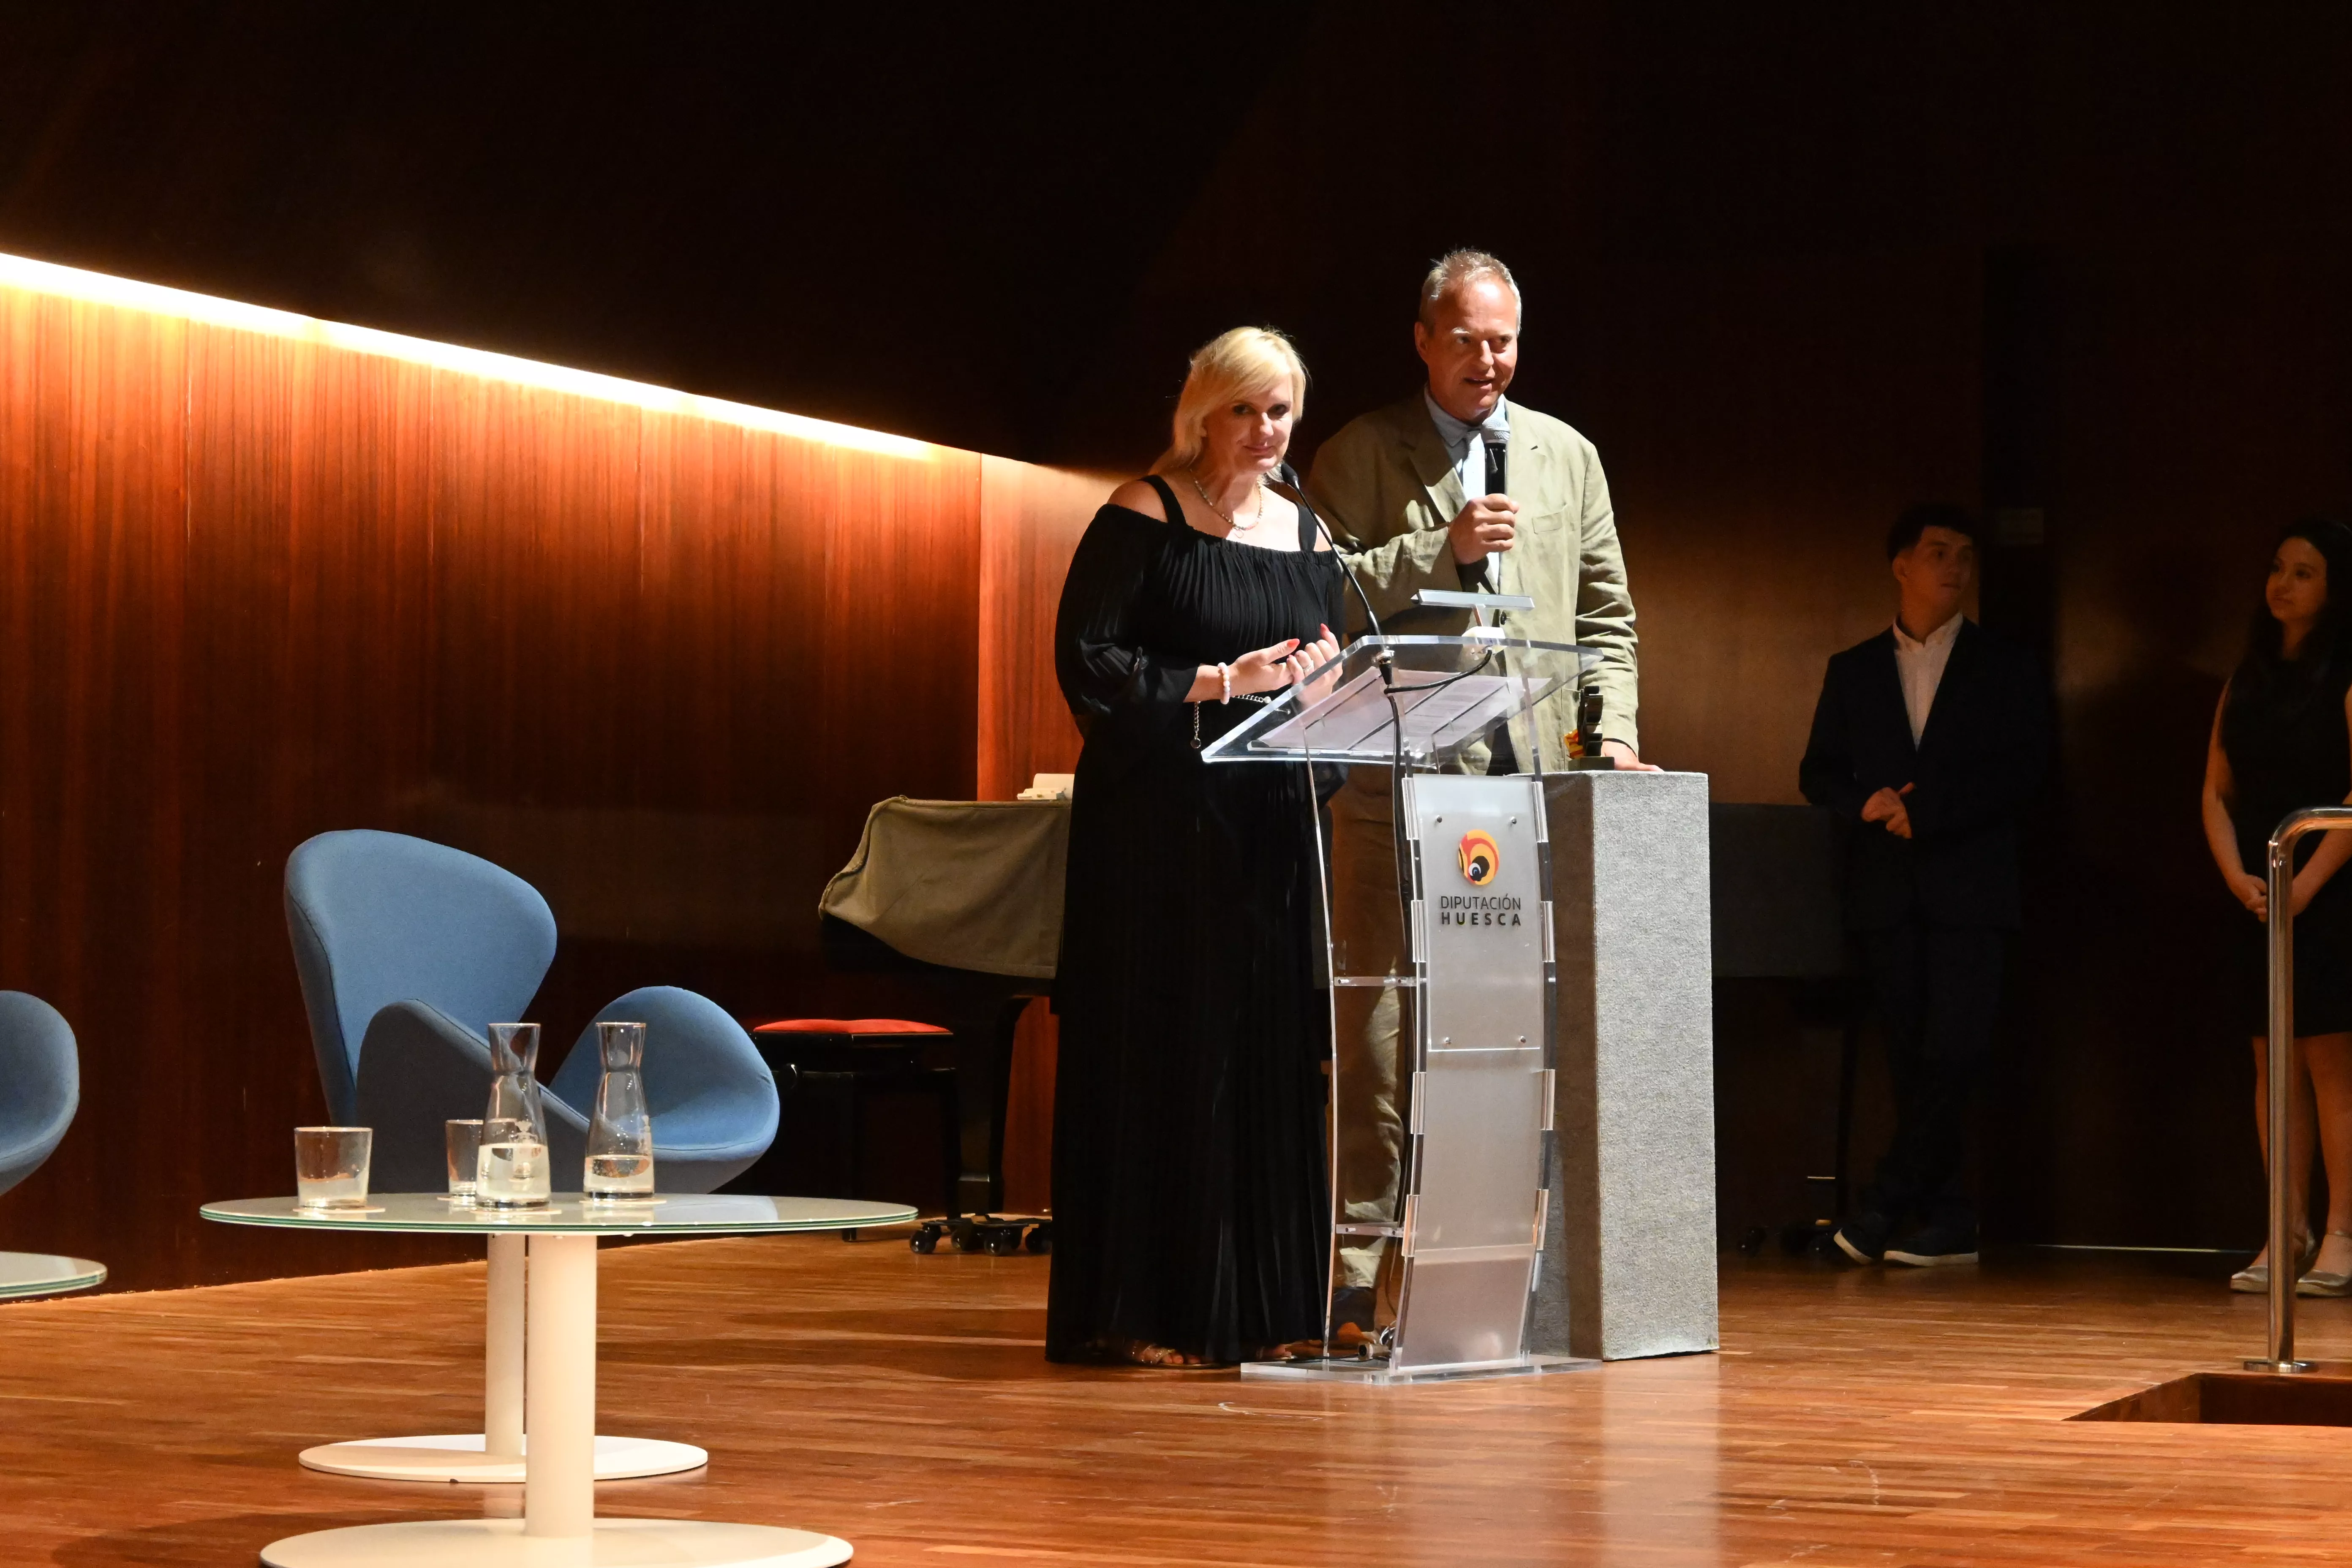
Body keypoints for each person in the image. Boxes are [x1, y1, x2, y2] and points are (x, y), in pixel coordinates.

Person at [1304, 250, 1647, 1328]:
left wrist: (1613, 734)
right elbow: (1326, 601)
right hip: (1397, 782)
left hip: (1532, 785)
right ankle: (1359, 1275)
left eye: (1502, 341)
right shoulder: (1361, 451)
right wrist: (1437, 548)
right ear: (1423, 339)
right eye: (1466, 339)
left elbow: (1607, 622)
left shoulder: (1566, 454)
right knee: (1381, 1034)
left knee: (1520, 1031)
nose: (1487, 360)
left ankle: (1513, 1268)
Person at [1047, 326, 1344, 1366]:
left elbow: (1330, 673)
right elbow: (1088, 661)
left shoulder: (1311, 535)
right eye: (1245, 410)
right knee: (1168, 1051)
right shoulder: (1145, 514)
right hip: (1158, 829)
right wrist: (1225, 682)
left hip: (1266, 828)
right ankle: (1146, 1310)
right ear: (1202, 414)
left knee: (1265, 1054)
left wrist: (1322, 683)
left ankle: (1273, 1309)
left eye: (1282, 411)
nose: (1266, 431)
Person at [1799, 504, 2050, 1268]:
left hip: (1972, 891)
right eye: (1938, 552)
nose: (1955, 568)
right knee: (1908, 1058)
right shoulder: (1854, 668)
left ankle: (1883, 1208)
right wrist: (1864, 802)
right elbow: (1817, 773)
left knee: (1957, 1050)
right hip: (1885, 895)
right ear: (1900, 565)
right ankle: (1948, 1219)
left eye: (1966, 555)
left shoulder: (2007, 665)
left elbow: (2029, 772)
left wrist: (1927, 813)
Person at [2200, 518, 2352, 1296]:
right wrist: (2237, 875)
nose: (2284, 584)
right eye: (2278, 569)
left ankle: (2341, 1234)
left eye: (2305, 572)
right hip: (2260, 891)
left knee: (2331, 1062)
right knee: (2270, 1060)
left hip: (2326, 885)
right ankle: (2284, 1227)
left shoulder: (2348, 673)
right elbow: (2215, 791)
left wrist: (2309, 882)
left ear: (2336, 588)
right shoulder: (2249, 673)